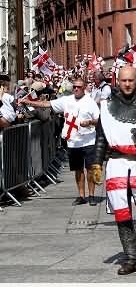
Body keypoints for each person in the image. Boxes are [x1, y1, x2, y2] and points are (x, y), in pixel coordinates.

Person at [90, 66, 136, 275]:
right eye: (123, 81)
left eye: (131, 80)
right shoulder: (105, 106)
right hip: (116, 163)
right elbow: (101, 138)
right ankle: (132, 258)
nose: (127, 84)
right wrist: (96, 163)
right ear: (118, 81)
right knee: (122, 214)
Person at [21, 77, 100, 206]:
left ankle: (91, 195)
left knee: (90, 169)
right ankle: (81, 195)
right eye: (74, 86)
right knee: (78, 170)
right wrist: (28, 102)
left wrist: (90, 122)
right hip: (73, 142)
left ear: (84, 88)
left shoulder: (90, 102)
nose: (76, 89)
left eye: (79, 87)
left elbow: (98, 120)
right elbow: (47, 104)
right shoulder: (66, 100)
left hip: (88, 140)